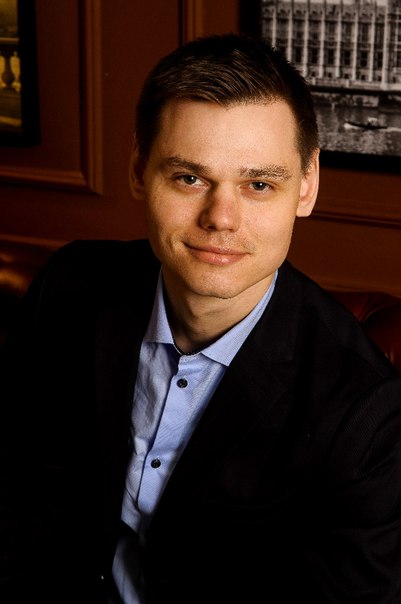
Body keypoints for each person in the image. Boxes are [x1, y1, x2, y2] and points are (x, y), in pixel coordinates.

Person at [1, 32, 401, 604]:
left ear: (307, 186)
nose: (221, 218)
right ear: (139, 168)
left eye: (258, 184)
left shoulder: (366, 411)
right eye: (189, 178)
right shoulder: (69, 286)